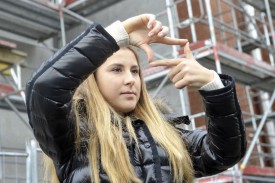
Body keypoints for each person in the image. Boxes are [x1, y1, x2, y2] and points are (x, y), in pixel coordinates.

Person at [26, 14, 246, 183]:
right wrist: (117, 35)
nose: (131, 79)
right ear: (92, 81)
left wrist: (213, 86)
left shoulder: (167, 133)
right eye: (117, 70)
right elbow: (44, 89)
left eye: (134, 71)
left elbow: (224, 153)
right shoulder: (74, 137)